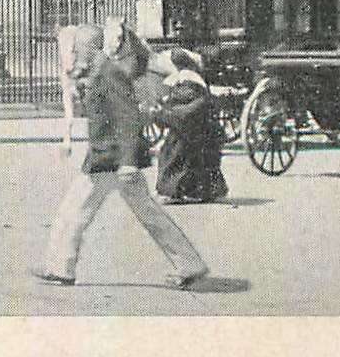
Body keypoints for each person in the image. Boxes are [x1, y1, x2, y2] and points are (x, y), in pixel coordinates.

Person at [35, 31, 210, 289]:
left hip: (113, 161)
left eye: (76, 50)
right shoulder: (99, 71)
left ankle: (60, 268)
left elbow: (127, 118)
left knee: (74, 211)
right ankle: (189, 264)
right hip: (108, 158)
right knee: (147, 214)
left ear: (90, 48)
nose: (72, 55)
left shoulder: (107, 73)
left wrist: (128, 160)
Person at [153, 52, 227, 204]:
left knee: (176, 155)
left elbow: (189, 109)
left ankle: (173, 191)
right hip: (191, 130)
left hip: (194, 131)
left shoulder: (190, 86)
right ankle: (196, 191)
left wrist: (166, 113)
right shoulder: (193, 84)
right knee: (183, 155)